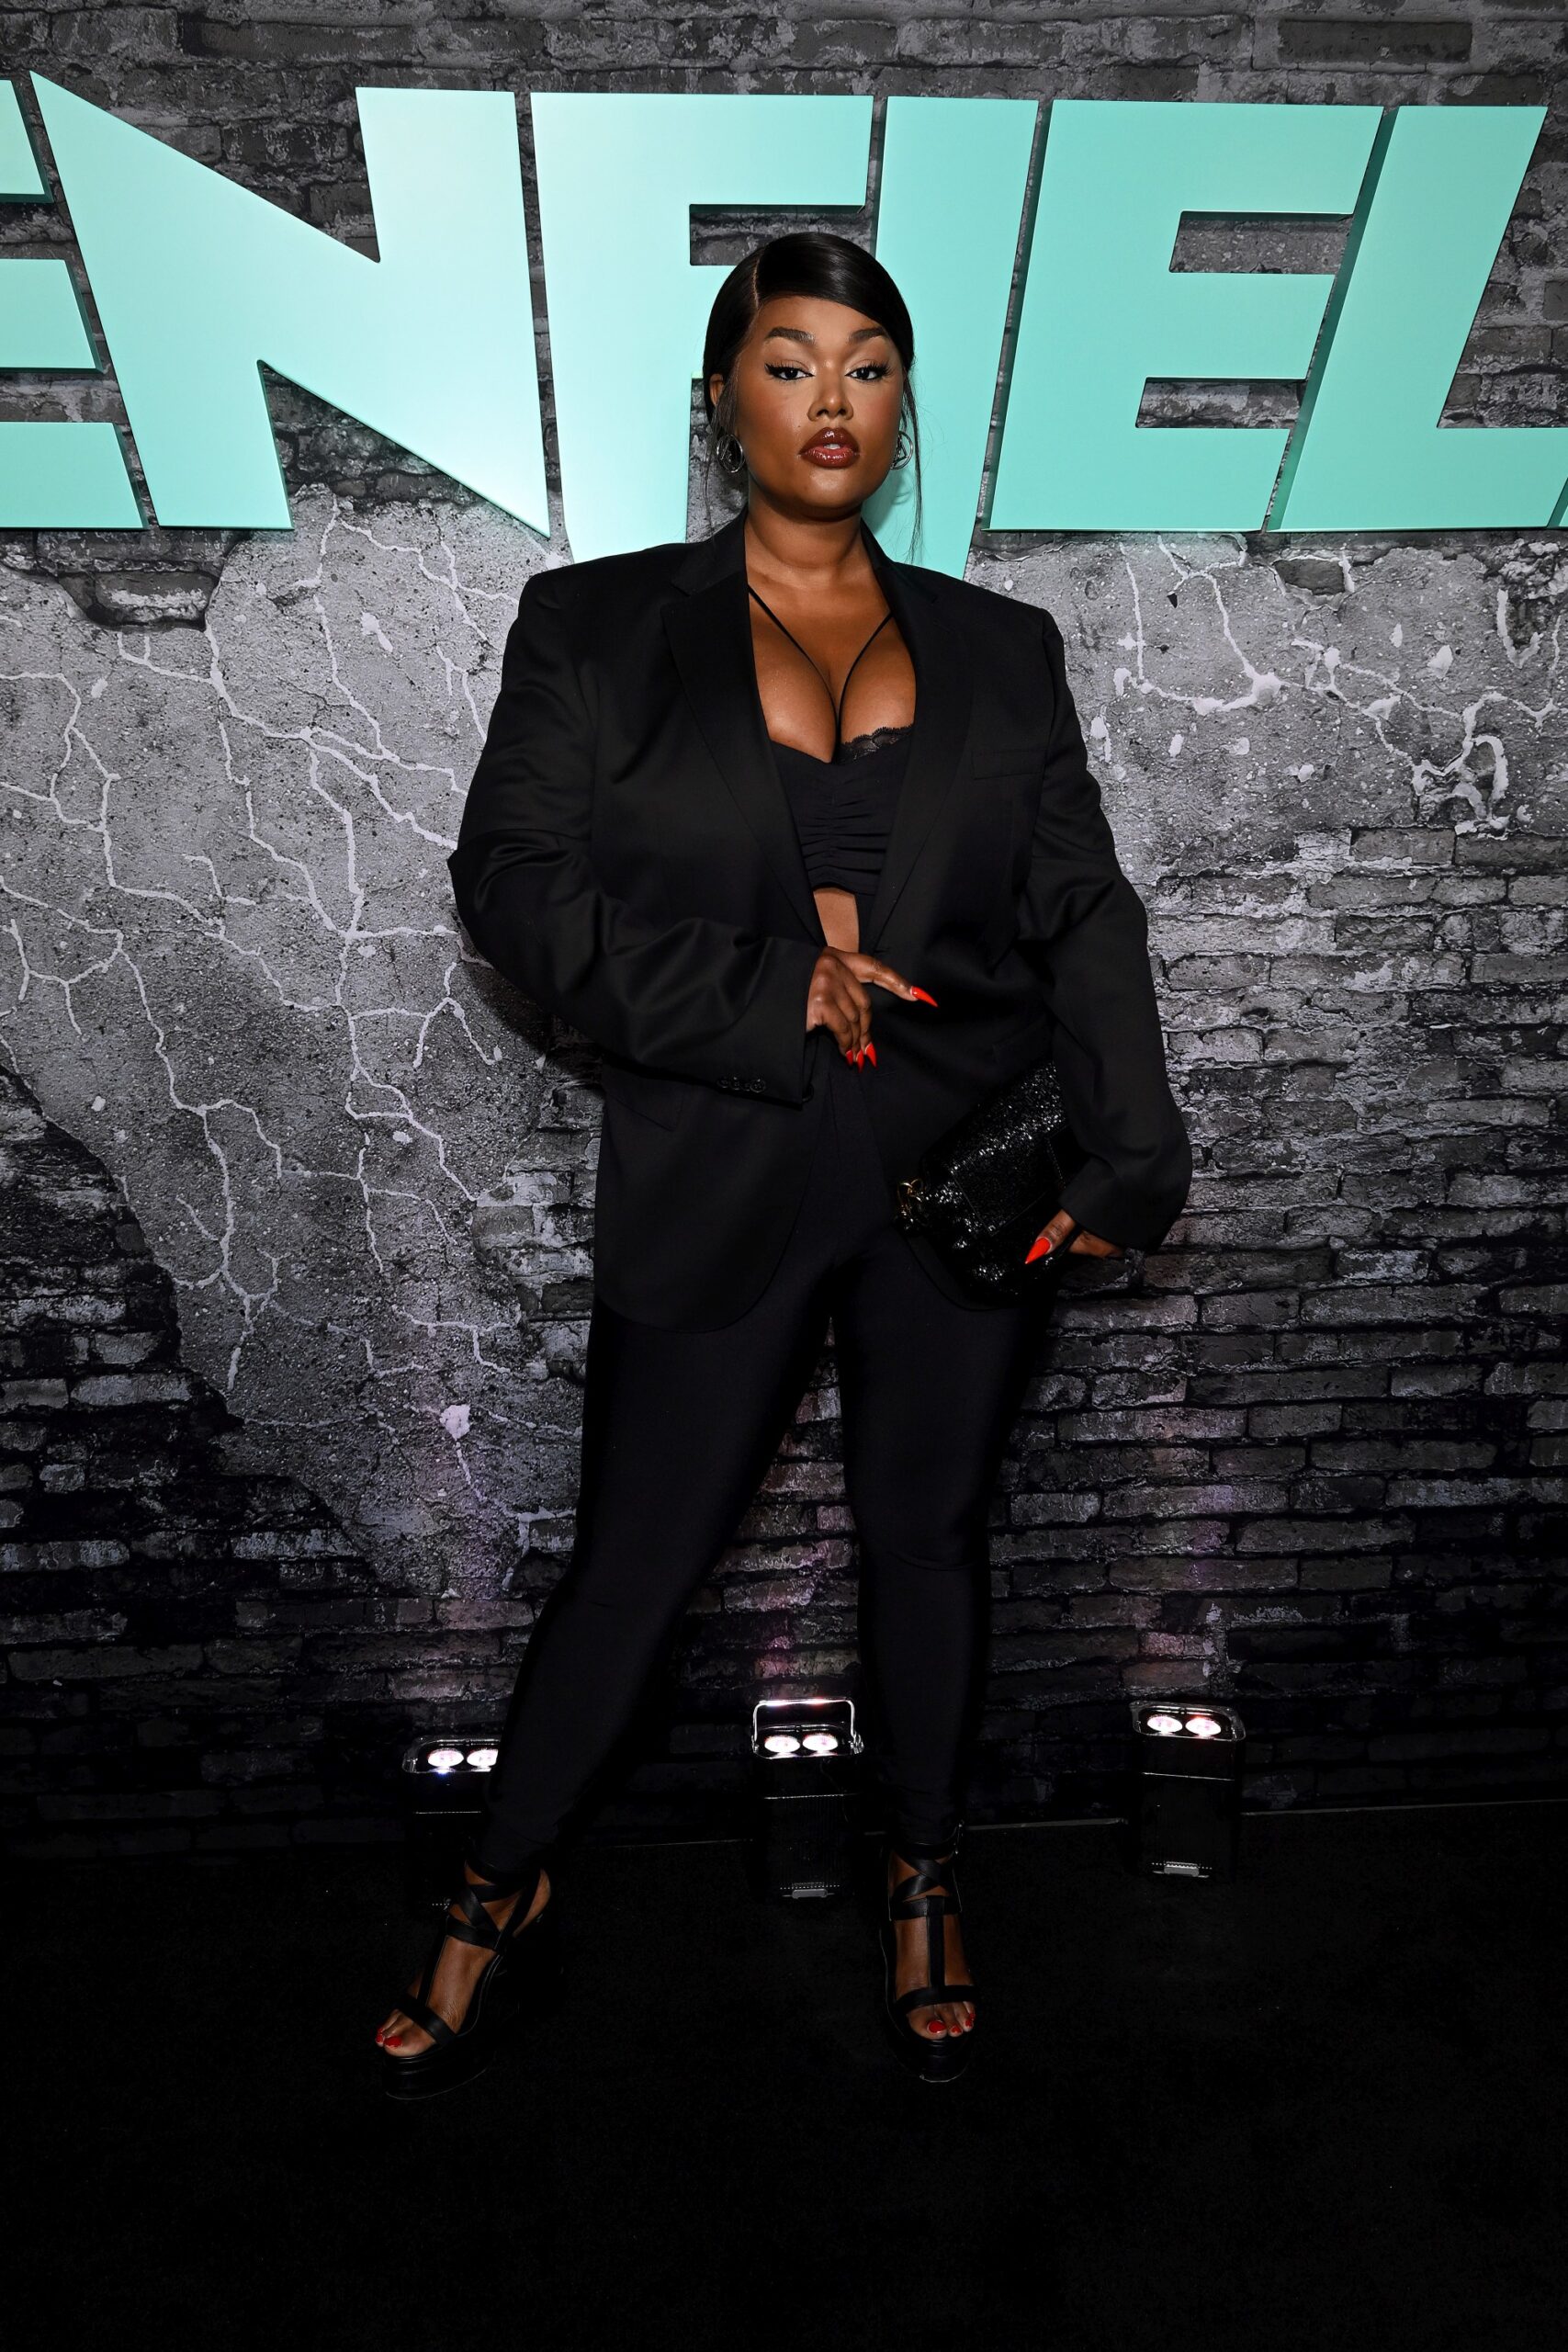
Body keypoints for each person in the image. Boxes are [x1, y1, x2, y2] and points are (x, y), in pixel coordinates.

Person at [376, 230, 1190, 2094]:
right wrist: (761, 986)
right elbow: (512, 885)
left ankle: (922, 1869)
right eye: (791, 361)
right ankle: (499, 1880)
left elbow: (1080, 906)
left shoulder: (1000, 648)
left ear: (901, 407)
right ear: (721, 396)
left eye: (869, 367)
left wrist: (1132, 1150)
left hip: (960, 1164)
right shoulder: (591, 625)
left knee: (929, 1536)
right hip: (723, 1153)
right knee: (635, 1562)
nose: (833, 400)